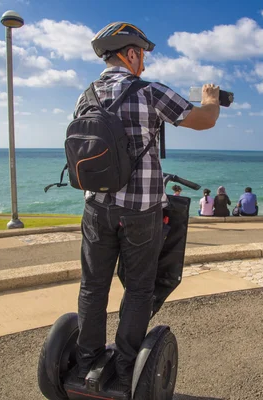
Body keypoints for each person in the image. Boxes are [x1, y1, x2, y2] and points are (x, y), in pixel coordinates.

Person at [73, 21, 221, 394]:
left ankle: (88, 362)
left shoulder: (86, 95)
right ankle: (125, 368)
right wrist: (211, 99)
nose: (144, 63)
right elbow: (203, 121)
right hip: (140, 211)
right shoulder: (149, 92)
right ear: (131, 53)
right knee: (138, 289)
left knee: (93, 286)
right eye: (142, 55)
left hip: (95, 207)